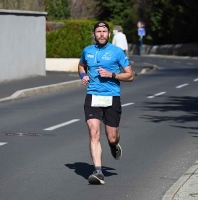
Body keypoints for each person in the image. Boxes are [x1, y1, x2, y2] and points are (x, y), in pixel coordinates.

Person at [77, 21, 134, 185]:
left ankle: (114, 144)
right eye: (98, 31)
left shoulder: (117, 52)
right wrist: (83, 76)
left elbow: (130, 76)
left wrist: (112, 75)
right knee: (94, 133)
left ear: (109, 34)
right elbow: (81, 66)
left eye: (104, 31)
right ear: (94, 34)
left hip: (112, 97)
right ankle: (98, 172)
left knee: (111, 137)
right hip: (92, 97)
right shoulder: (87, 51)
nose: (101, 34)